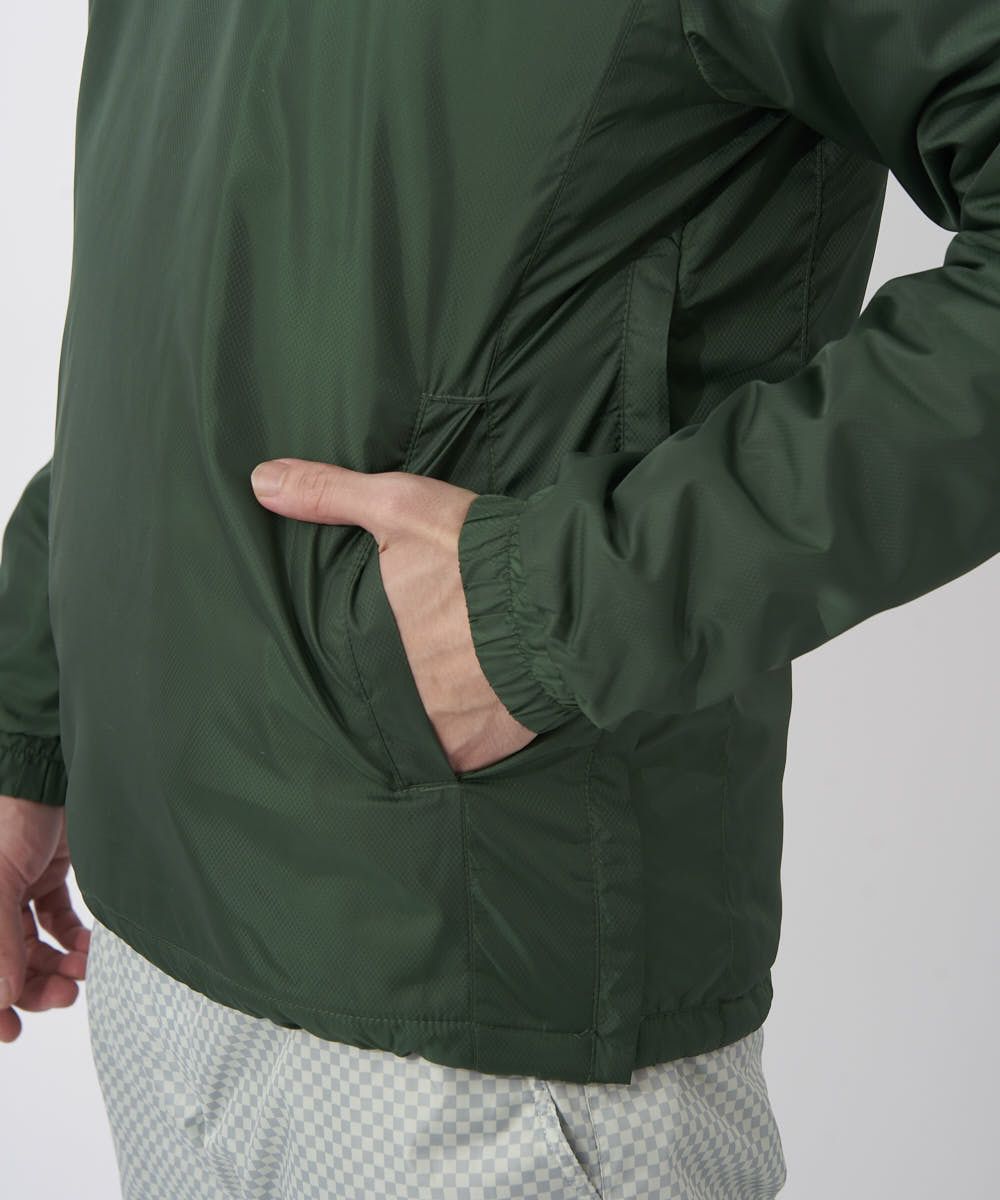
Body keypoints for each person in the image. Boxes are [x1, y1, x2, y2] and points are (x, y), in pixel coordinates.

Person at [2, 1, 999, 1196]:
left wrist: (562, 603)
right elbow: (195, 254)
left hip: (472, 1009)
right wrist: (31, 713)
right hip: (152, 941)